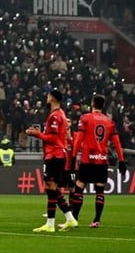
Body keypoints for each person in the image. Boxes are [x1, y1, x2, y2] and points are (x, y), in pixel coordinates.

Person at [68, 93, 127, 229]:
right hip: (102, 160)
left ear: (92, 104)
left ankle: (74, 219)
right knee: (100, 190)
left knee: (79, 187)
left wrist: (73, 157)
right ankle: (96, 221)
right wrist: (121, 161)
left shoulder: (86, 118)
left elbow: (79, 139)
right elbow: (117, 144)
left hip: (88, 159)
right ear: (103, 106)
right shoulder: (109, 122)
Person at [26, 89, 77, 232]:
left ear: (53, 98)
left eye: (48, 96)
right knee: (51, 188)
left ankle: (51, 224)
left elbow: (53, 138)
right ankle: (69, 219)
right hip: (55, 154)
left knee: (51, 186)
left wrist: (38, 134)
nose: (46, 97)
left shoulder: (55, 116)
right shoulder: (59, 114)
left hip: (54, 154)